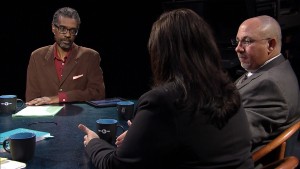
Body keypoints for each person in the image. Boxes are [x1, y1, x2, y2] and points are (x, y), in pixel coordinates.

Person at [78, 8, 254, 169]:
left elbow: (116, 165)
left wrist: (94, 143)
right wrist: (143, 136)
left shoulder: (162, 101)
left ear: (161, 53)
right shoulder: (230, 90)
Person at [233, 15, 300, 153]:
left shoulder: (270, 85)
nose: (238, 49)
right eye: (237, 41)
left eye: (246, 41)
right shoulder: (271, 69)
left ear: (270, 45)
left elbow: (235, 137)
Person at [26, 7, 105, 105]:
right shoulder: (37, 57)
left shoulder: (90, 56)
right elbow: (31, 100)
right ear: (53, 28)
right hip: (45, 119)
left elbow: (98, 93)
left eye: (73, 31)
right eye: (63, 29)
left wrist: (61, 98)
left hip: (79, 118)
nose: (68, 35)